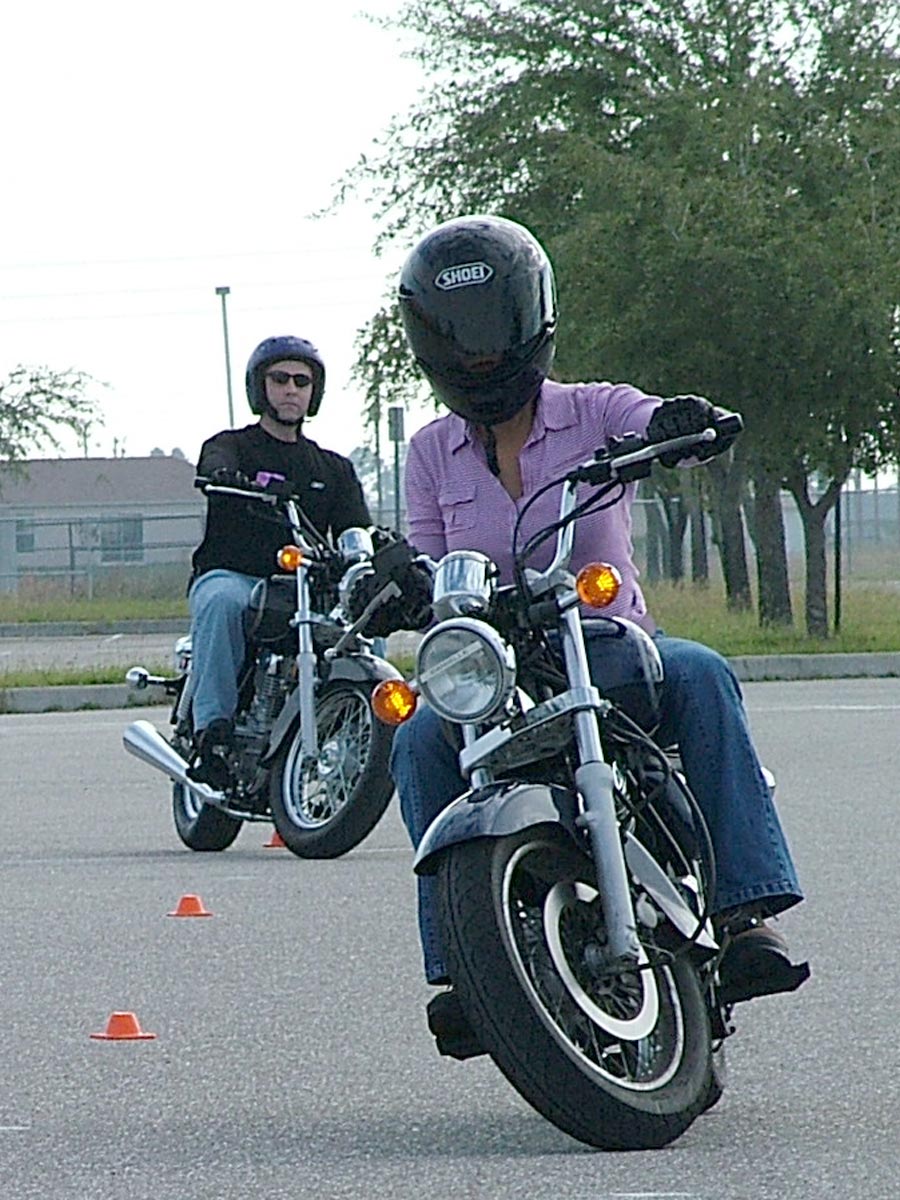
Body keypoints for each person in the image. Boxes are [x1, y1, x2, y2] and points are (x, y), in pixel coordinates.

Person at [389, 214, 809, 1057]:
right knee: (418, 739)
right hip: (503, 676)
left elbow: (647, 419)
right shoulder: (432, 452)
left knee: (700, 673)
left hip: (611, 647)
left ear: (528, 320)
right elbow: (427, 565)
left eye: (491, 333)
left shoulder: (592, 410)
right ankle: (463, 967)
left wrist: (675, 424)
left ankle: (748, 910)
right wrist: (396, 577)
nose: (480, 355)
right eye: (460, 337)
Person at [187, 335, 370, 788]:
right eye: (280, 379)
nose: (291, 389)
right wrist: (225, 477)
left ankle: (362, 732)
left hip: (306, 587)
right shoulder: (232, 446)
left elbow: (355, 530)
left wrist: (373, 551)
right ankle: (212, 732)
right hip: (236, 575)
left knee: (364, 624)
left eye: (302, 382)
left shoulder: (333, 468)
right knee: (223, 603)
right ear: (260, 387)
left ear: (314, 392)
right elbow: (213, 464)